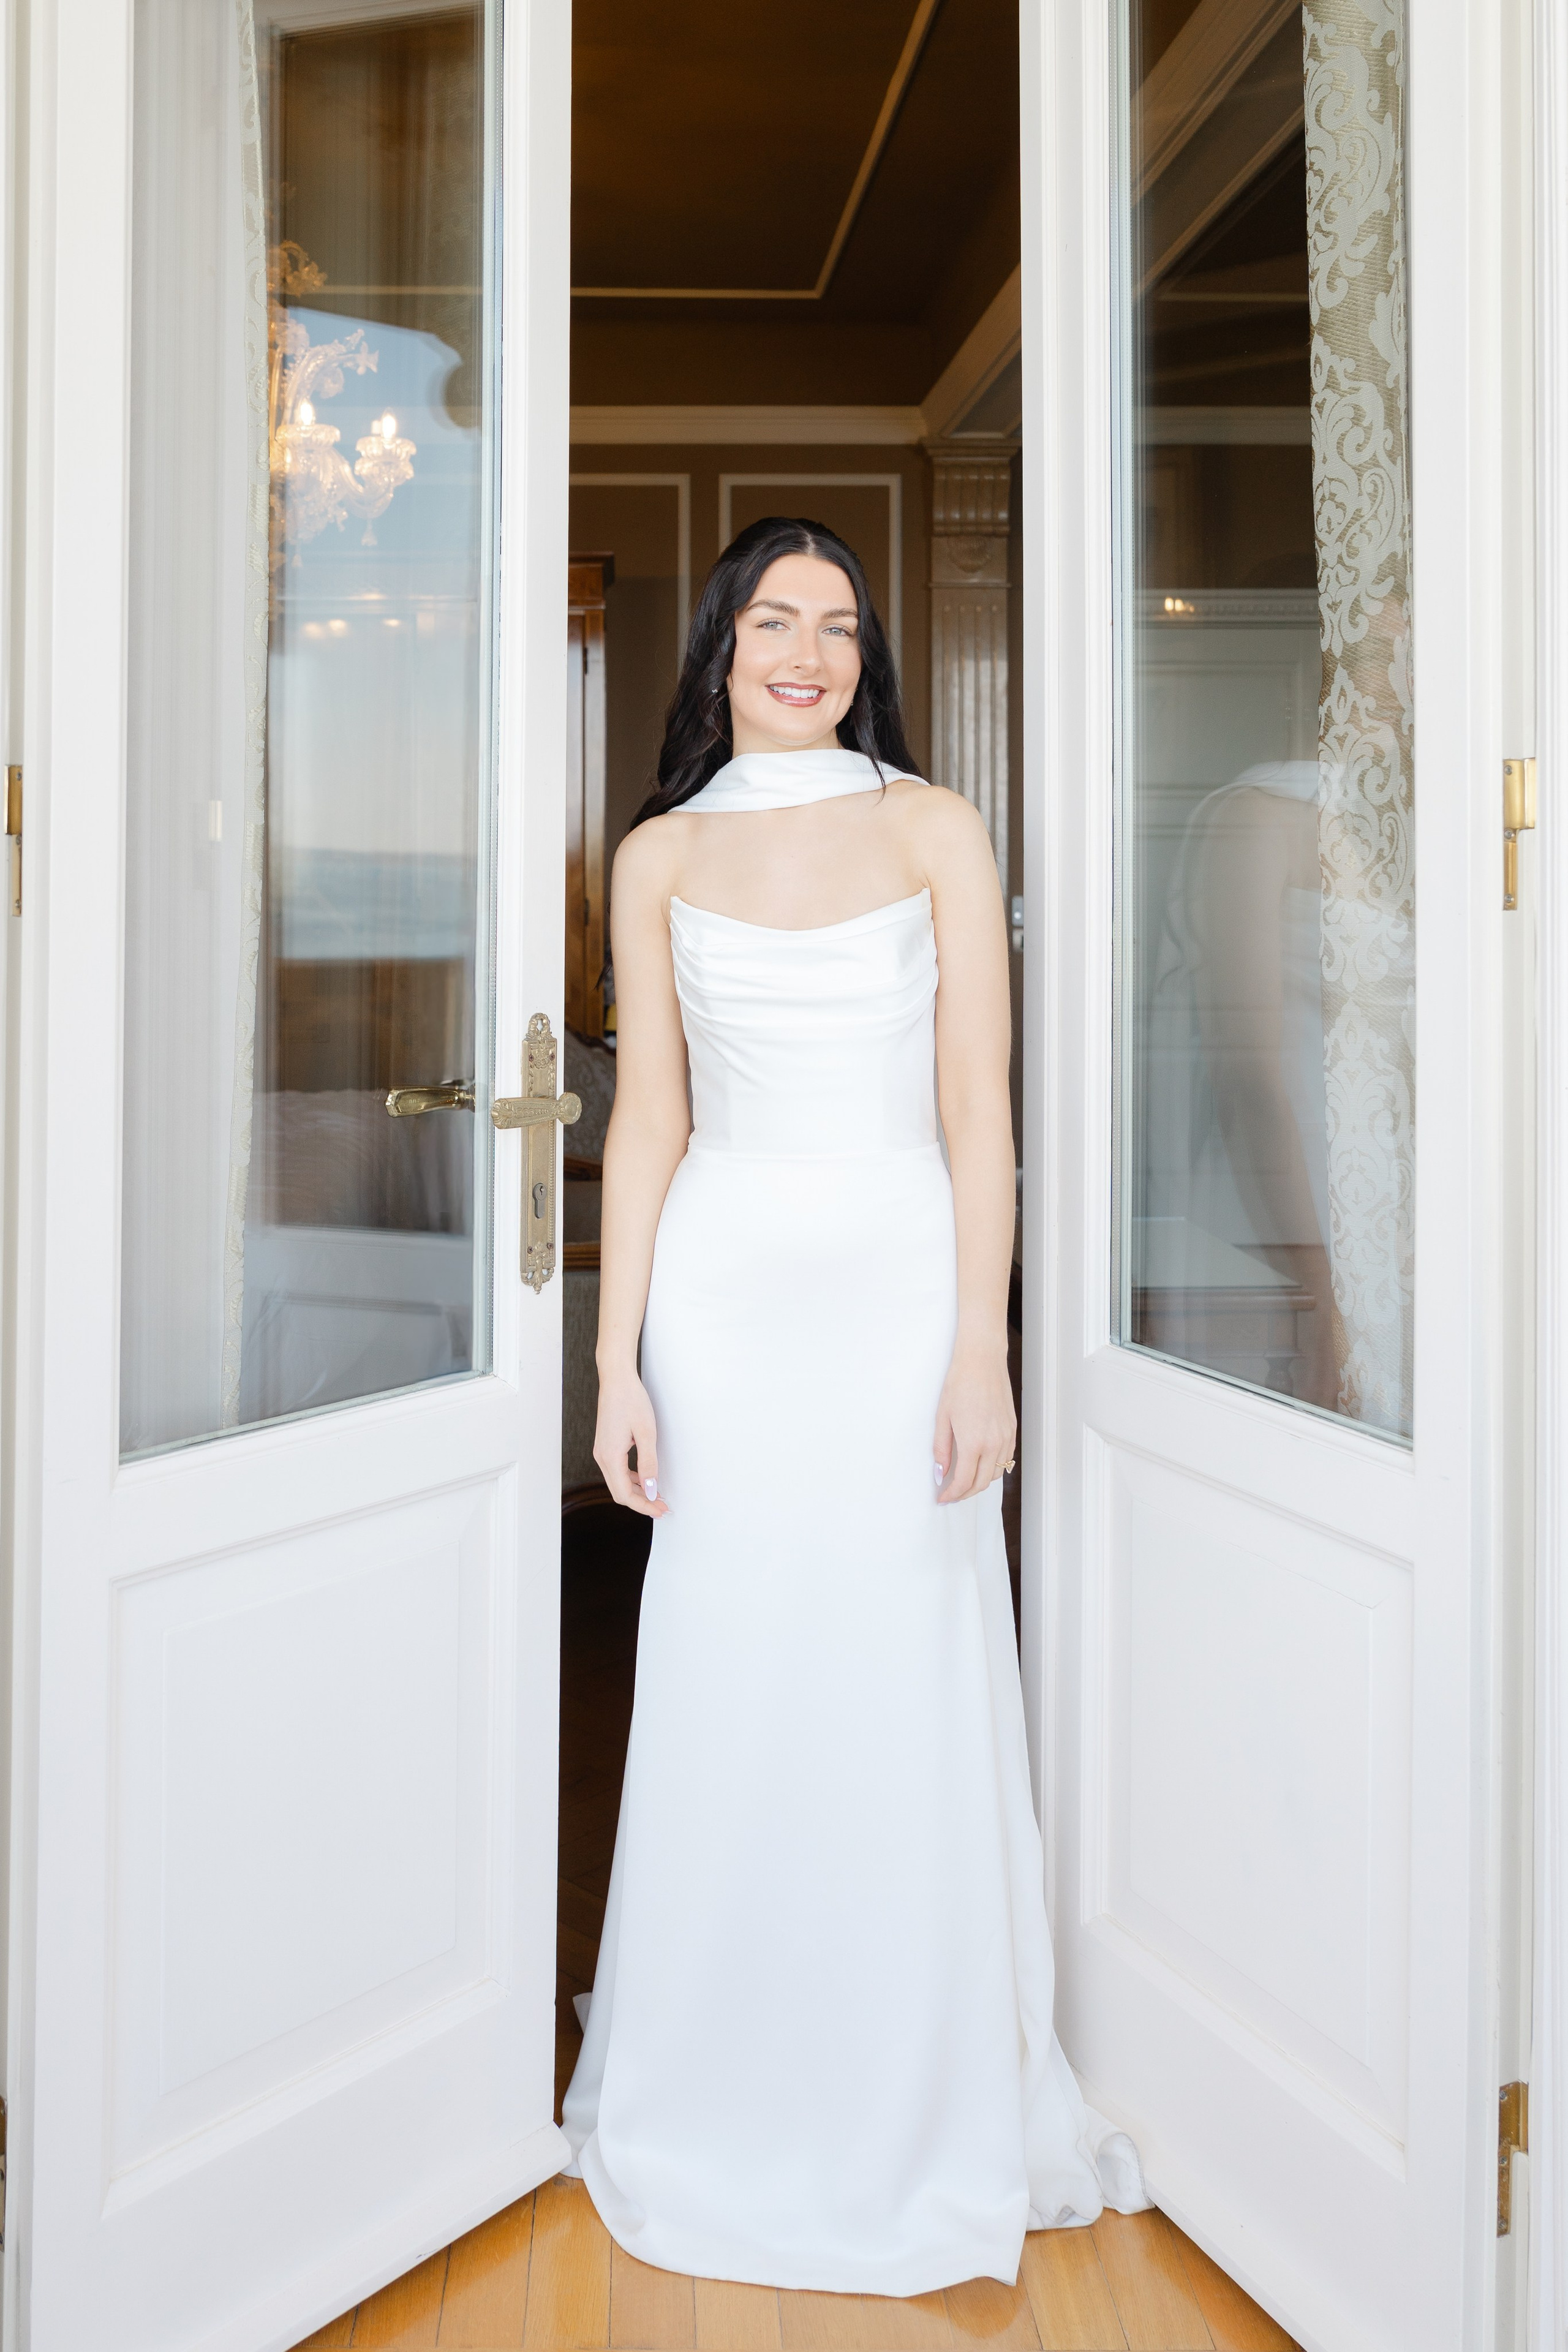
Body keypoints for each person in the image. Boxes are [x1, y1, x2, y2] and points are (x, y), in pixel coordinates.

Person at [562, 517, 1147, 2294]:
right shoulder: (656, 854)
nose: (807, 650)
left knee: (905, 1664)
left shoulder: (934, 826)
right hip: (729, 1304)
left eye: (838, 623)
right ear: (721, 649)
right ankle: (719, 2078)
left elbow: (983, 1104)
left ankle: (920, 2084)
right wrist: (618, 1361)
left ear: (864, 655)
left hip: (903, 1289)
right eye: (772, 621)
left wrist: (984, 1339)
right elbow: (649, 1116)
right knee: (736, 1671)